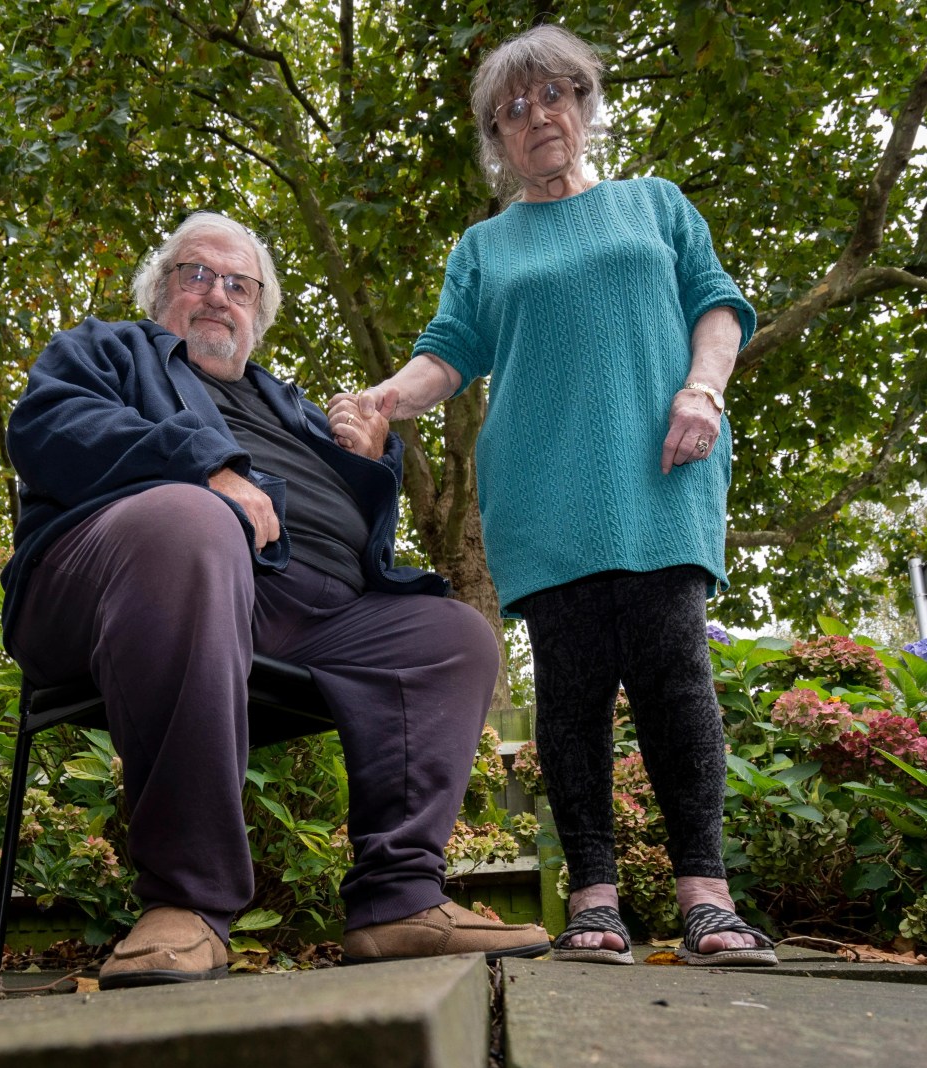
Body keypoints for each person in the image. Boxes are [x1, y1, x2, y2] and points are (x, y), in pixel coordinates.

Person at [0, 210, 551, 990]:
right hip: (121, 582)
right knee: (195, 521)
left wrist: (365, 462)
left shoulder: (289, 406)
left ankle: (398, 903)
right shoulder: (107, 349)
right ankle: (185, 904)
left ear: (258, 313)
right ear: (161, 293)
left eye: (239, 285)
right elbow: (48, 430)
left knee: (452, 635)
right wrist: (205, 469)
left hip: (302, 618)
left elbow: (355, 537)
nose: (217, 295)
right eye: (196, 275)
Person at [331, 25, 776, 967]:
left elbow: (718, 305)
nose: (538, 117)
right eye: (513, 110)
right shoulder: (486, 246)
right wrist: (382, 401)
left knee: (676, 678)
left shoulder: (654, 205)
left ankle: (706, 894)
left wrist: (703, 390)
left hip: (662, 467)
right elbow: (448, 352)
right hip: (543, 491)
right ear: (497, 140)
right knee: (571, 696)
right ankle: (594, 899)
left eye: (554, 95)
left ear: (584, 102)